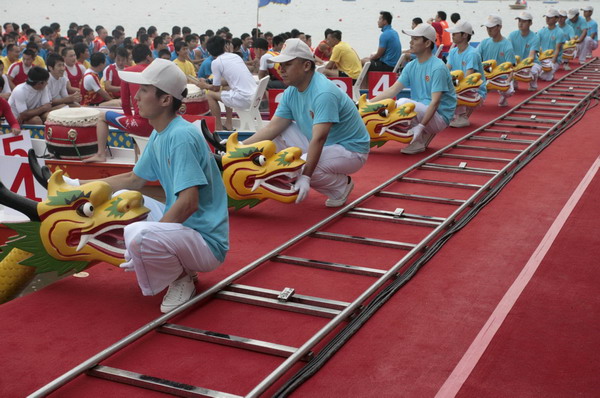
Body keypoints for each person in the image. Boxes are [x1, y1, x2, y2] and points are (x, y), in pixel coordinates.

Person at [78, 59, 229, 313]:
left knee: (139, 235)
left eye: (144, 90)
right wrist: (80, 186)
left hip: (206, 243)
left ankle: (180, 278)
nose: (136, 97)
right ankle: (179, 266)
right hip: (187, 233)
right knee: (125, 198)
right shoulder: (161, 132)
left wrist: (149, 240)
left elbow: (189, 202)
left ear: (165, 100)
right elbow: (133, 181)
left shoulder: (180, 136)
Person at [244, 38, 370, 207]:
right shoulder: (291, 91)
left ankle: (341, 186)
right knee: (273, 137)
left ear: (306, 66)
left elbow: (319, 139)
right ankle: (304, 174)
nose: (280, 70)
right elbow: (273, 127)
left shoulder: (323, 92)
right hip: (322, 143)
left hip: (351, 150)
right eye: (280, 65)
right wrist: (239, 147)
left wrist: (306, 176)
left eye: (287, 64)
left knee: (297, 166)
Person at [370, 24, 456, 154]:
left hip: (440, 116)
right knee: (394, 105)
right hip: (424, 110)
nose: (411, 42)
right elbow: (392, 90)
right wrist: (369, 103)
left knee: (403, 103)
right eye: (411, 38)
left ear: (427, 43)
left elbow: (435, 102)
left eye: (415, 39)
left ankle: (419, 139)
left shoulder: (438, 67)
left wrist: (421, 127)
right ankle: (422, 135)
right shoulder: (411, 66)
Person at [85, 44, 154, 163]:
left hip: (142, 125)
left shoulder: (127, 72)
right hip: (160, 125)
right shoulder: (155, 71)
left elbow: (125, 103)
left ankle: (101, 154)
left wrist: (130, 122)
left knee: (101, 117)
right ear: (148, 57)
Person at [195, 35, 257, 131]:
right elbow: (226, 82)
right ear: (224, 47)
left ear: (209, 52)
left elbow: (215, 88)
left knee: (210, 95)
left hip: (244, 99)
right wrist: (208, 82)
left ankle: (218, 128)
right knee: (227, 88)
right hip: (255, 95)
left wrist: (204, 85)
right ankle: (229, 124)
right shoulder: (235, 56)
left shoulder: (216, 62)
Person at [446, 21, 487, 128]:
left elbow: (468, 78)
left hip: (475, 91)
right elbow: (446, 70)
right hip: (459, 86)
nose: (452, 35)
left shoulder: (472, 54)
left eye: (455, 33)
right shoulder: (453, 52)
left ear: (464, 35)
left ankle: (462, 116)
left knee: (456, 89)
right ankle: (454, 114)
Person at [478, 14, 516, 107]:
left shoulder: (507, 45)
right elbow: (475, 57)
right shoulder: (484, 43)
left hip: (501, 78)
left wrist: (508, 81)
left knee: (509, 90)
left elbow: (512, 67)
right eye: (487, 27)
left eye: (491, 27)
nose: (489, 30)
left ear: (499, 27)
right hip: (486, 76)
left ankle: (504, 96)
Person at [508, 11, 541, 91]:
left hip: (531, 63)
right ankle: (514, 83)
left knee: (533, 71)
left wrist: (524, 67)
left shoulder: (535, 37)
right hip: (516, 63)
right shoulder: (512, 35)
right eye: (519, 21)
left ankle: (533, 84)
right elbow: (507, 52)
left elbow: (531, 56)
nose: (520, 23)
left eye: (524, 21)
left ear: (530, 23)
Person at [537, 9, 564, 81]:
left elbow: (557, 49)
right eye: (546, 17)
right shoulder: (541, 31)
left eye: (550, 17)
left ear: (556, 19)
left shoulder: (559, 32)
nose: (547, 19)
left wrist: (552, 63)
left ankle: (550, 73)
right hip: (542, 58)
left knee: (545, 78)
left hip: (554, 59)